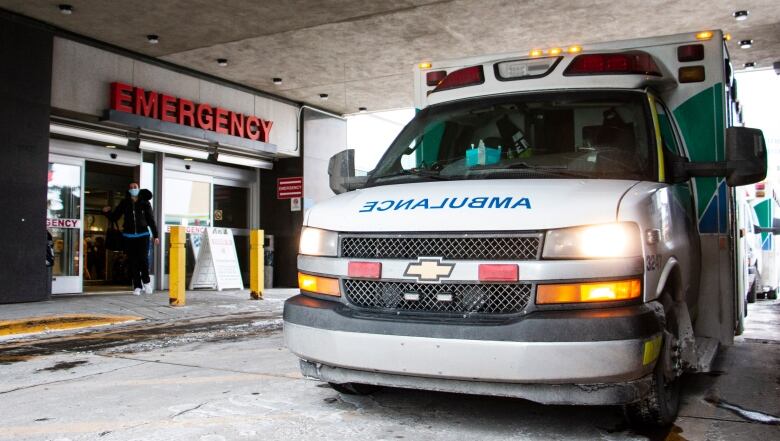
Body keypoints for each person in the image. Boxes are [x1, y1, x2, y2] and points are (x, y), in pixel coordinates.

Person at [103, 183, 159, 295]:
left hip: (143, 235)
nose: (133, 189)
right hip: (128, 236)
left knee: (143, 259)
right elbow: (115, 217)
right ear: (129, 190)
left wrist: (156, 235)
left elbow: (151, 220)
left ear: (138, 189)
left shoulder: (145, 203)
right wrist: (106, 212)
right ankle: (137, 286)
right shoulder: (124, 203)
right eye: (131, 187)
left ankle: (147, 283)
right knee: (133, 261)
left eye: (135, 187)